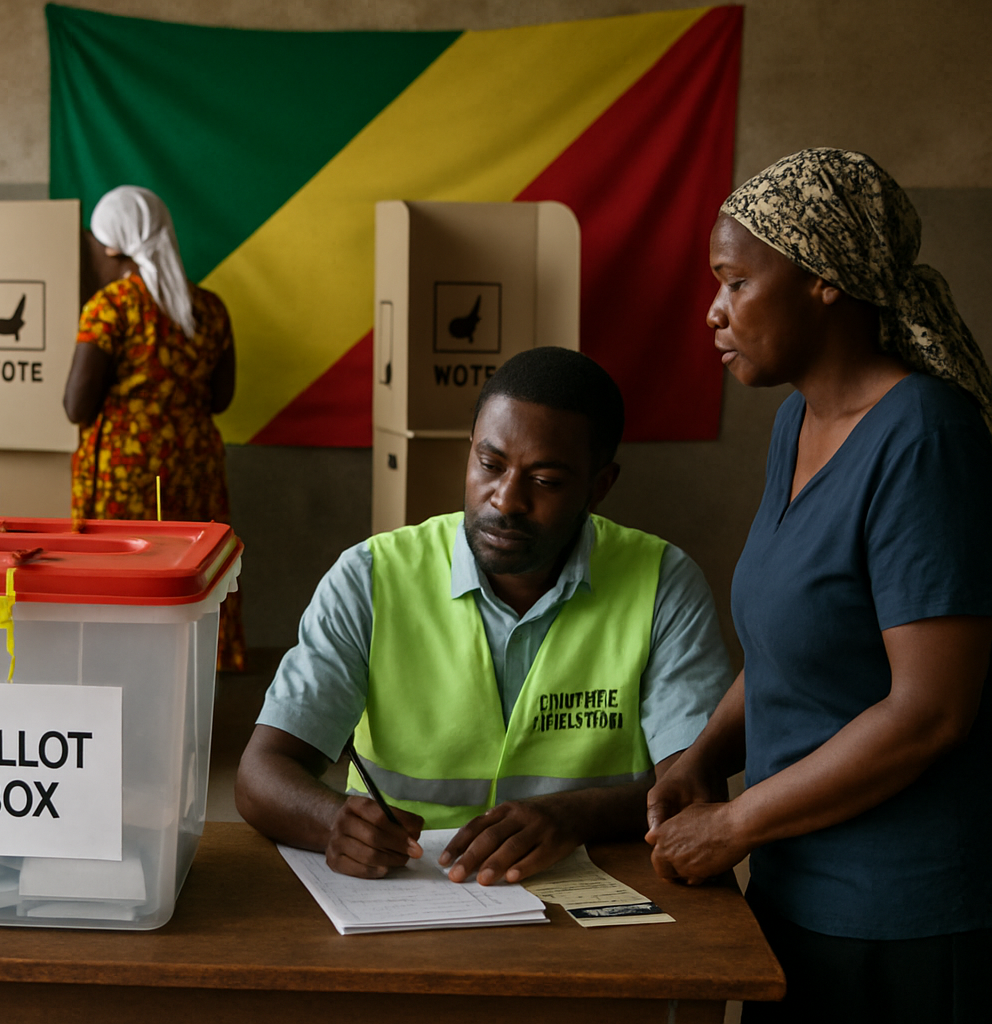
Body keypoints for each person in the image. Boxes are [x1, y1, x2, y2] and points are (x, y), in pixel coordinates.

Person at [646, 149, 992, 1023]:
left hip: (901, 921)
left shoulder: (923, 438)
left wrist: (731, 825)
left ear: (824, 282)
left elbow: (930, 711)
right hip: (795, 888)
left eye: (736, 283)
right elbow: (784, 648)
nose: (714, 312)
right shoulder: (798, 420)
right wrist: (702, 762)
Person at [236, 347, 731, 884]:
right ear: (469, 454)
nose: (506, 499)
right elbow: (261, 774)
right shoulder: (372, 577)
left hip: (597, 890)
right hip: (410, 892)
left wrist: (576, 815)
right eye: (489, 465)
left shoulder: (662, 583)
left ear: (599, 486)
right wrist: (335, 822)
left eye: (544, 481)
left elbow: (694, 793)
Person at [62, 185, 245, 671]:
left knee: (126, 573)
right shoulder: (209, 308)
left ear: (110, 246)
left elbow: (76, 406)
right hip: (194, 469)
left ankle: (123, 671)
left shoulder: (111, 306)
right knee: (189, 571)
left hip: (128, 476)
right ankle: (189, 673)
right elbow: (221, 399)